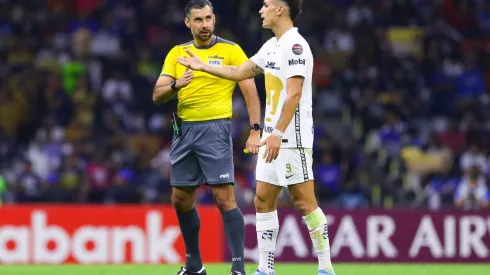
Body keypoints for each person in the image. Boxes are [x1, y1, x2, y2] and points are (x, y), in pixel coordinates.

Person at [177, 0, 336, 274]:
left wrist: (275, 133)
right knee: (262, 199)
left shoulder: (295, 46)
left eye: (265, 5)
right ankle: (265, 268)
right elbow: (239, 72)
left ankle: (325, 268)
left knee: (304, 202)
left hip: (291, 137)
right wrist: (202, 66)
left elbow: (295, 95)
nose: (260, 10)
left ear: (280, 9)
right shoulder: (271, 46)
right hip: (271, 136)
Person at [152, 0, 262, 274]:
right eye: (198, 19)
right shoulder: (177, 53)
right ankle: (194, 265)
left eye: (209, 18)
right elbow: (157, 94)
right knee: (180, 199)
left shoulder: (231, 50)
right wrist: (177, 84)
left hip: (215, 129)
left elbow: (248, 88)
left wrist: (255, 128)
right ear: (187, 22)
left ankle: (238, 268)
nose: (205, 25)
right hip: (184, 130)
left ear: (214, 19)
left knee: (224, 197)